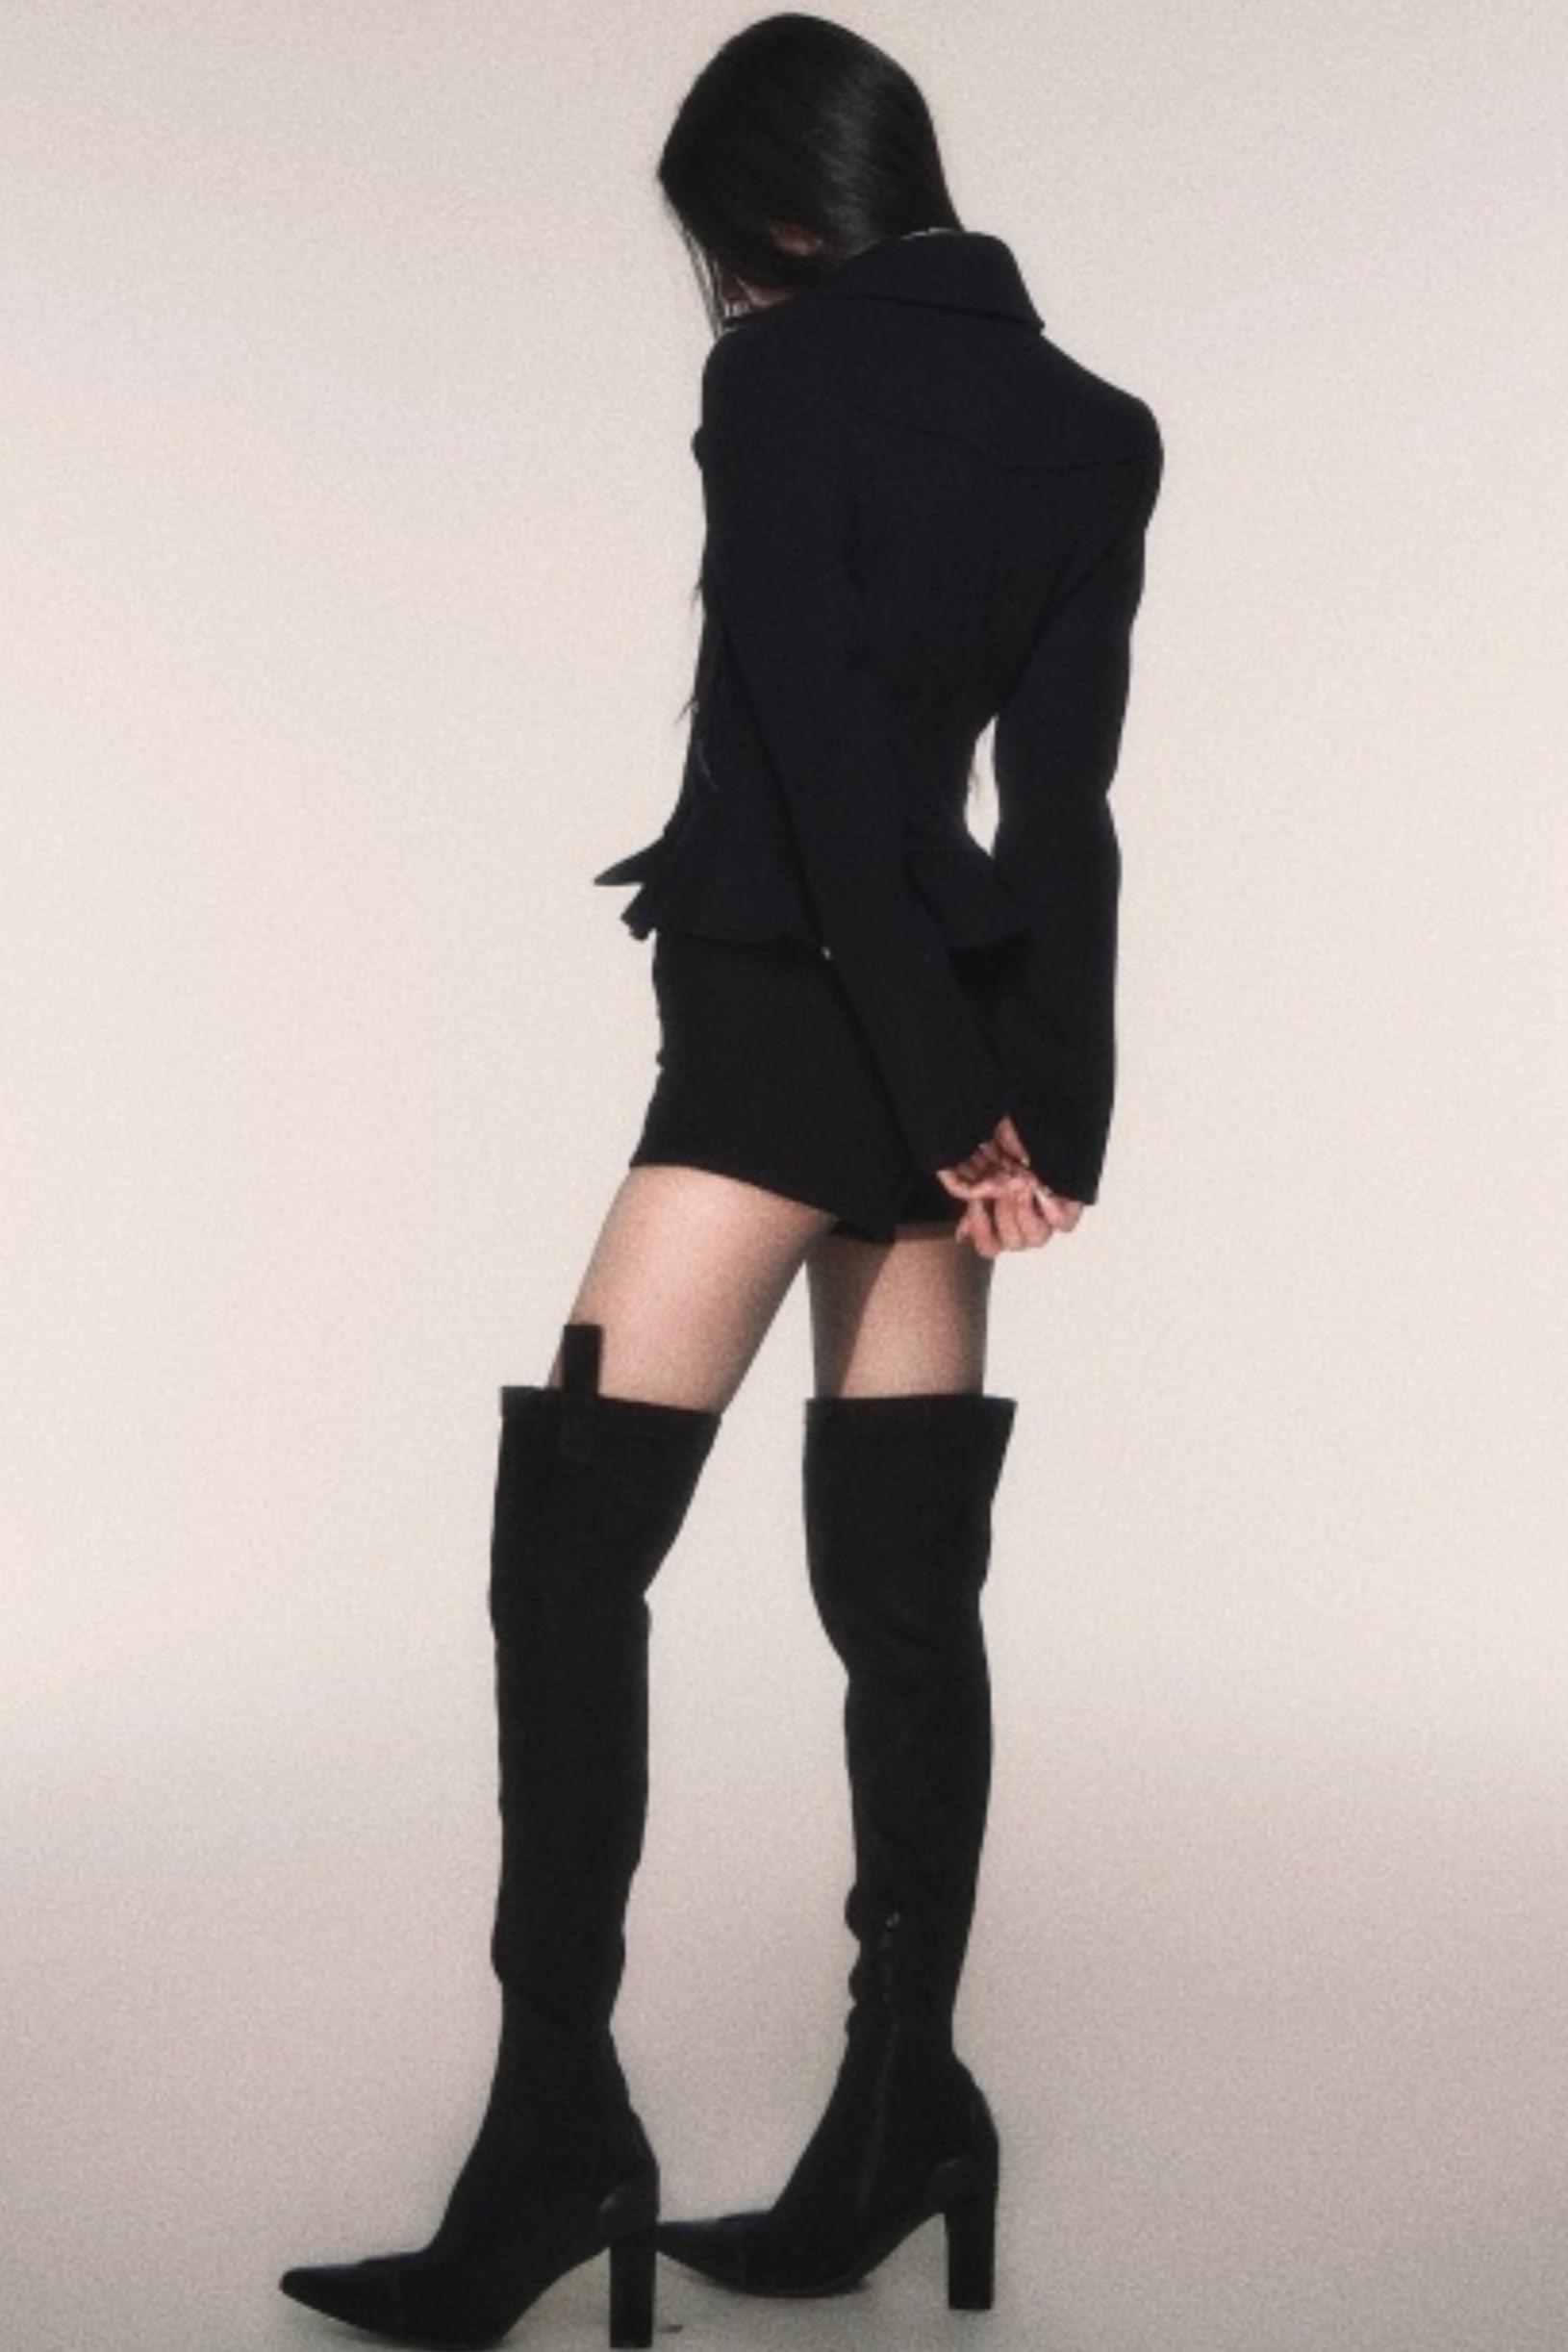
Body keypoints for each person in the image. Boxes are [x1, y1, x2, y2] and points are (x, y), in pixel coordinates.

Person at [277, 13, 1163, 2349]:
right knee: (904, 1591)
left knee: (573, 1550)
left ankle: (556, 2133)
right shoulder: (1095, 426)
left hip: (789, 1017)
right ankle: (902, 2107)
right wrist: (1032, 1107)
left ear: (770, 207)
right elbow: (1057, 809)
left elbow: (815, 741)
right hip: (947, 1026)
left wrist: (922, 1081)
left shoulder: (773, 379)